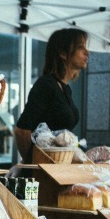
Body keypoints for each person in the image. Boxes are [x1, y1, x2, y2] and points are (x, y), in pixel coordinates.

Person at [14, 28, 89, 164]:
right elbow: (22, 131)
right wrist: (32, 164)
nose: (87, 52)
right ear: (63, 53)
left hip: (60, 167)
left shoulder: (65, 88)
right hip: (46, 172)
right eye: (80, 47)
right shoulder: (46, 85)